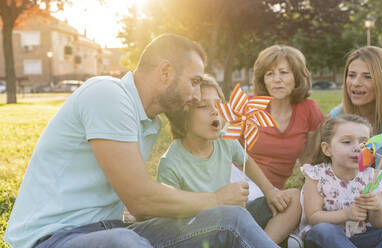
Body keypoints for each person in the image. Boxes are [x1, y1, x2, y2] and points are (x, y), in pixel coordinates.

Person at [4, 34, 279, 248]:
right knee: (125, 243)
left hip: (111, 228)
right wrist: (216, 198)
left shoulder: (151, 122)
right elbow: (140, 197)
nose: (197, 95)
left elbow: (135, 199)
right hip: (56, 238)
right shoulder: (107, 94)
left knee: (233, 218)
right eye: (194, 82)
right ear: (165, 72)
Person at [158, 74, 301, 246]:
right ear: (182, 116)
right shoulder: (170, 164)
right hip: (205, 232)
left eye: (218, 104)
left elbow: (246, 161)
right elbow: (170, 219)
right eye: (203, 106)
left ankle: (261, 241)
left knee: (293, 197)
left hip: (238, 216)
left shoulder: (226, 141)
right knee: (235, 218)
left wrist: (269, 191)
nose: (215, 110)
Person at [300, 114, 382, 248]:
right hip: (326, 237)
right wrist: (346, 214)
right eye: (346, 142)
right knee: (324, 230)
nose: (358, 148)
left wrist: (378, 208)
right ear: (327, 149)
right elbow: (314, 218)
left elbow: (378, 223)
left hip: (360, 237)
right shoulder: (316, 175)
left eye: (364, 142)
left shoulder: (371, 177)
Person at [329, 46, 382, 224]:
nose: (356, 83)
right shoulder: (338, 117)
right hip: (351, 204)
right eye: (351, 75)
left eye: (368, 76)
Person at [240, 45, 324, 190]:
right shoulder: (248, 105)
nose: (276, 79)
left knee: (295, 200)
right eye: (269, 74)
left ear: (297, 77)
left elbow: (308, 158)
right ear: (263, 80)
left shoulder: (309, 109)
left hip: (275, 191)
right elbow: (223, 149)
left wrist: (311, 191)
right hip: (240, 181)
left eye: (283, 72)